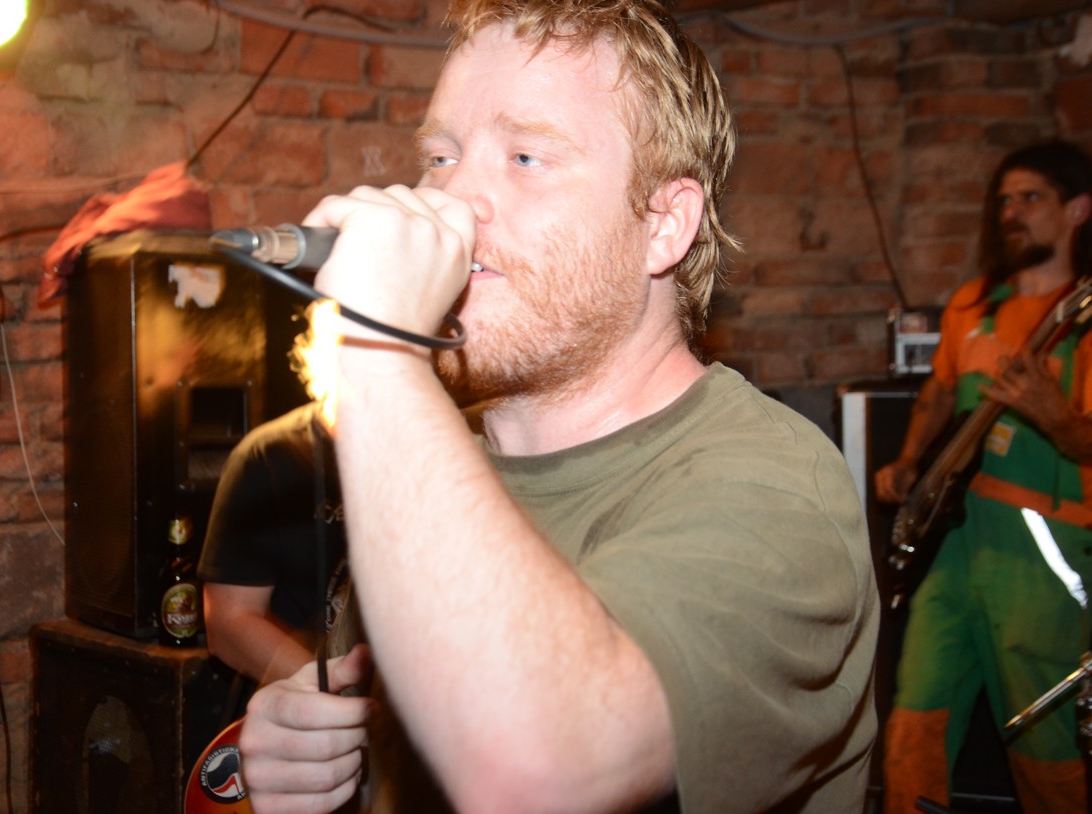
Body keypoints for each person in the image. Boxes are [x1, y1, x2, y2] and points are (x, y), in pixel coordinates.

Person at [235, 1, 880, 813]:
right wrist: (321, 761)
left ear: (663, 225)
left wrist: (377, 345)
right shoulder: (428, 461)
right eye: (440, 156)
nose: (453, 199)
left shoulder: (774, 489)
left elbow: (534, 773)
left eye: (525, 157)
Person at [874, 140, 1092, 814]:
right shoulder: (973, 304)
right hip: (958, 542)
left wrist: (1050, 412)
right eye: (1003, 200)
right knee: (913, 720)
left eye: (1029, 198)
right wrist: (908, 462)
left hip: (1044, 550)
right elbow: (939, 392)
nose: (1010, 213)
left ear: (1076, 210)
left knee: (1040, 735)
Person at [199, 400, 349, 692]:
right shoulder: (268, 455)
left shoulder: (433, 452)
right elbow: (229, 621)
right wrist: (337, 697)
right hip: (315, 701)